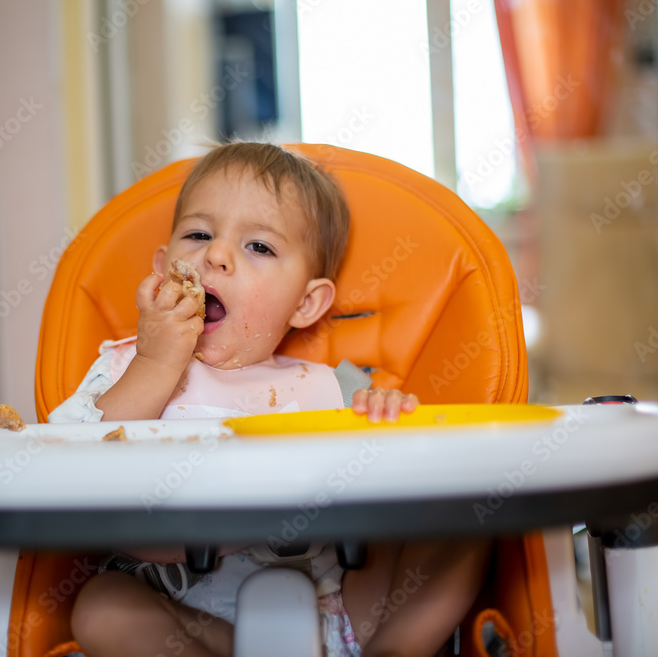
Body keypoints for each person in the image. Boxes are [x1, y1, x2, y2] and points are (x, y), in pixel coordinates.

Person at [50, 143, 490, 657]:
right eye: (199, 235)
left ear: (306, 302)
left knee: (470, 508)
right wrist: (155, 364)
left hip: (332, 619)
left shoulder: (332, 388)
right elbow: (63, 468)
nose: (215, 255)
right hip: (186, 620)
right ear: (163, 267)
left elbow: (407, 479)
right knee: (102, 607)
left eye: (258, 246)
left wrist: (387, 423)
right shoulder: (126, 366)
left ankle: (394, 650)